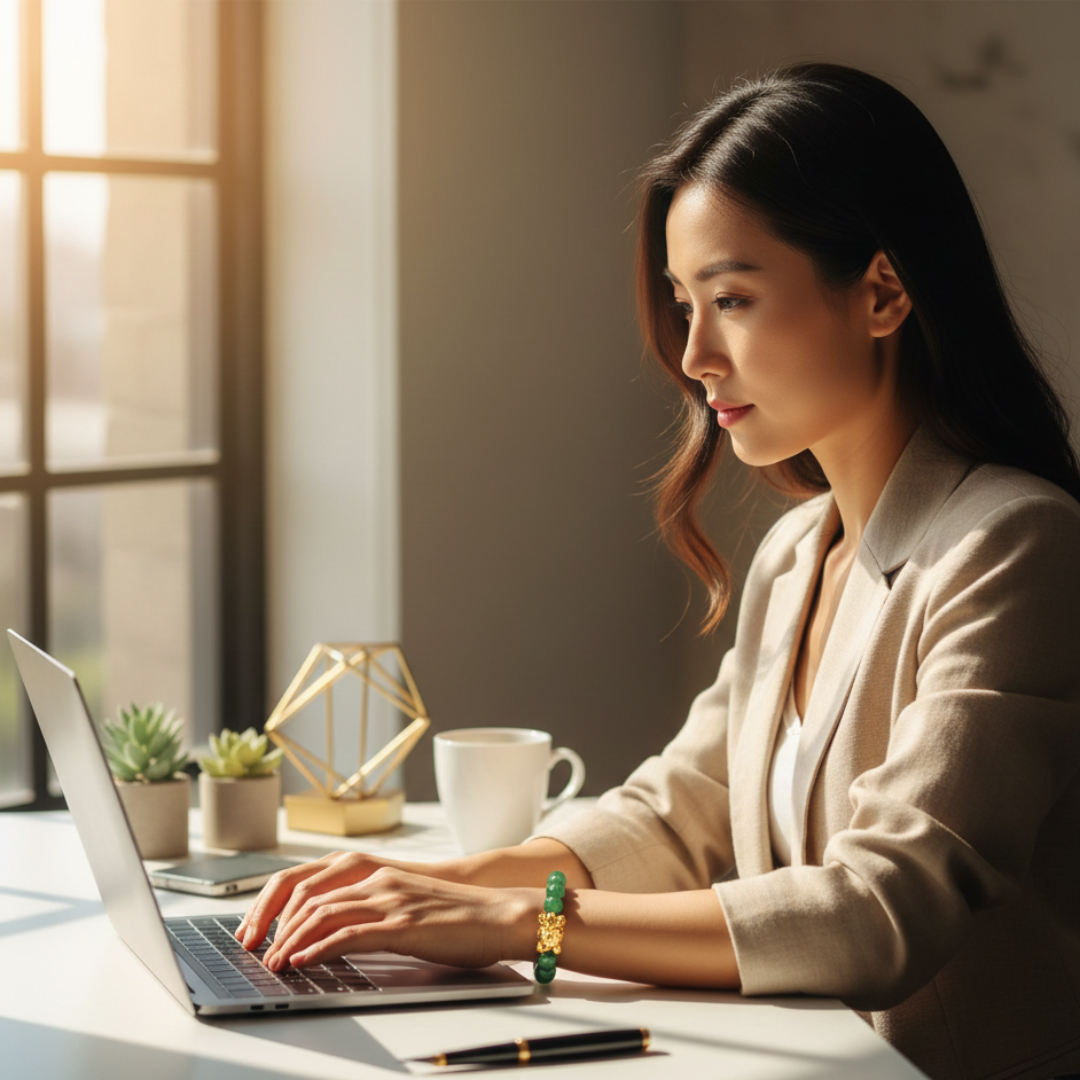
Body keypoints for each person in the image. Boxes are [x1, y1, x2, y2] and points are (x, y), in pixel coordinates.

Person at [237, 65, 1080, 1080]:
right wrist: (420, 887)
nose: (694, 356)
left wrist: (520, 922)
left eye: (731, 299)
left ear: (883, 292)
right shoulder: (795, 550)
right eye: (684, 304)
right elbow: (679, 814)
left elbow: (880, 909)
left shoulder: (1015, 544)